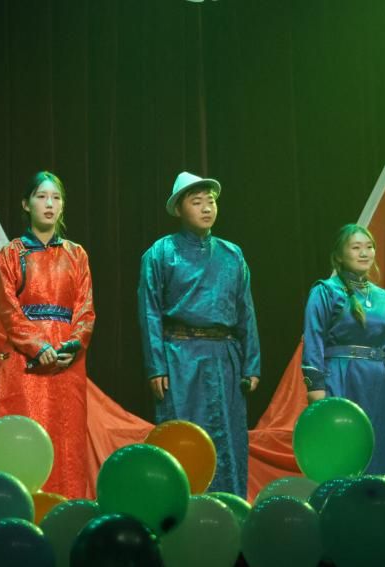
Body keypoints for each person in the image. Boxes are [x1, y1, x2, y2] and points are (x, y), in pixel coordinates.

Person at [137, 171, 260, 497]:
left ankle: (230, 510)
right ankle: (183, 511)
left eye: (211, 201)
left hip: (224, 358)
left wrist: (251, 364)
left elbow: (246, 311)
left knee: (229, 439)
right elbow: (149, 312)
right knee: (184, 437)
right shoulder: (161, 253)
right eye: (197, 202)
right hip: (181, 358)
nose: (207, 208)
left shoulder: (232, 254)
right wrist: (156, 367)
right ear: (179, 208)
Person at [0, 171, 95, 499]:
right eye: (41, 196)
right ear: (26, 204)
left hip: (67, 361)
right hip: (26, 361)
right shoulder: (12, 253)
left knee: (67, 439)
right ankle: (23, 507)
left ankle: (68, 508)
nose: (49, 204)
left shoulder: (77, 255)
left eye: (56, 197)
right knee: (28, 435)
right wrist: (37, 347)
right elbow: (8, 310)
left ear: (62, 206)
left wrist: (72, 346)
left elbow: (85, 310)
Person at [301, 224, 385, 475]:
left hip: (377, 383)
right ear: (339, 255)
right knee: (343, 449)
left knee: (378, 449)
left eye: (369, 247)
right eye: (356, 247)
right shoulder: (325, 291)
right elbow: (314, 340)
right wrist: (316, 387)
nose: (364, 253)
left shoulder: (382, 296)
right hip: (341, 378)